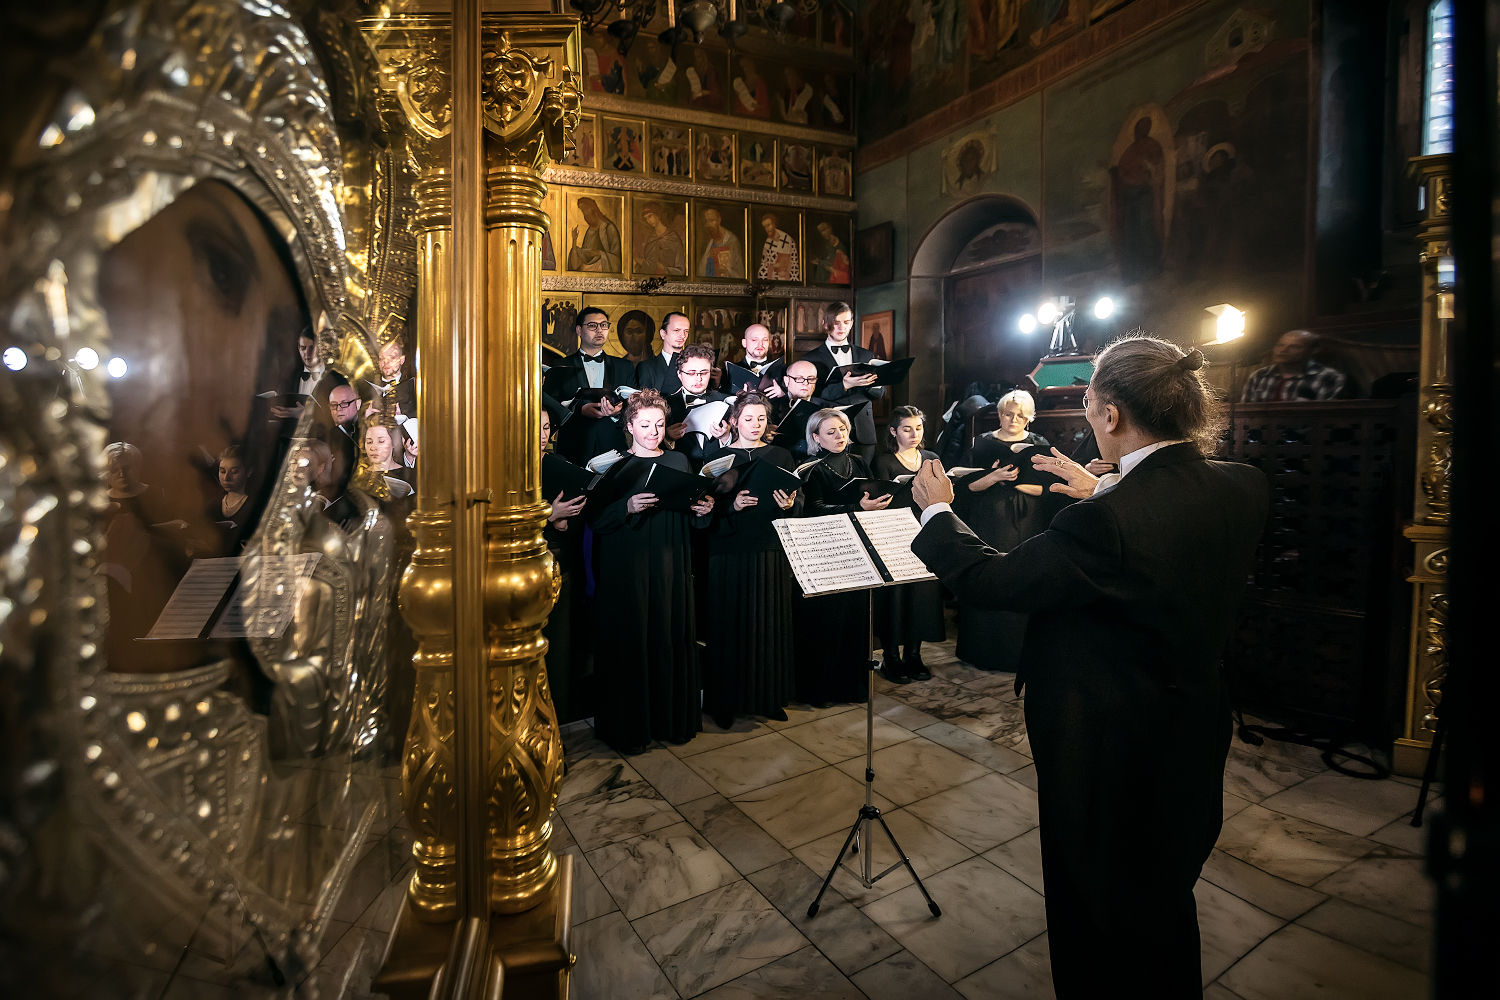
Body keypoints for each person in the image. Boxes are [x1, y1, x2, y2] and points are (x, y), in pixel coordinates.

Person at [907, 334, 1268, 999]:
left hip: (1109, 745)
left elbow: (994, 583)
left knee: (1100, 918)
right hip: (1192, 724)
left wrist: (936, 510)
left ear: (1110, 415)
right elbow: (1163, 530)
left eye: (1090, 403)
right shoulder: (1243, 486)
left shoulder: (1106, 524)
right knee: (1161, 898)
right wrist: (1104, 483)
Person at [586, 389, 716, 752]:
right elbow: (595, 521)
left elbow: (690, 515)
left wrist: (701, 512)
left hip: (670, 562)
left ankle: (671, 721)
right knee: (632, 637)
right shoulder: (611, 467)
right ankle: (630, 729)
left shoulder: (679, 464)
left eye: (659, 424)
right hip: (626, 566)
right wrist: (626, 505)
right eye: (645, 425)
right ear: (630, 426)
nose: (654, 431)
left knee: (667, 632)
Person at [701, 392, 800, 729]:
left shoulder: (781, 454)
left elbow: (796, 499)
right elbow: (705, 510)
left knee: (768, 624)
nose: (755, 425)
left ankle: (768, 698)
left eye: (761, 419)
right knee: (728, 627)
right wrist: (732, 506)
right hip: (728, 548)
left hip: (769, 546)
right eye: (747, 419)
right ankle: (724, 703)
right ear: (734, 421)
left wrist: (789, 505)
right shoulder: (718, 456)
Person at [793, 407, 891, 707]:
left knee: (855, 618)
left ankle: (853, 688)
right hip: (825, 551)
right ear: (816, 437)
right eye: (831, 432)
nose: (839, 436)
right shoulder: (809, 467)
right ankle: (821, 691)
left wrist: (879, 502)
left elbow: (872, 494)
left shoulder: (859, 461)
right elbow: (812, 510)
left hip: (857, 546)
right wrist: (857, 509)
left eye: (843, 430)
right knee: (827, 622)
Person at [951, 389, 1051, 672]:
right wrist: (995, 476)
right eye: (1008, 414)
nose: (1014, 419)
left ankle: (1021, 653)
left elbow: (1045, 489)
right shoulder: (982, 442)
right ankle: (982, 651)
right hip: (989, 520)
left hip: (1029, 520)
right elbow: (966, 487)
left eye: (1020, 415)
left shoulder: (1038, 443)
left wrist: (1015, 483)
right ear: (1000, 414)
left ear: (1029, 418)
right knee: (988, 575)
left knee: (1024, 577)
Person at [870, 406, 945, 683]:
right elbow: (881, 498)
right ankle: (891, 657)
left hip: (925, 530)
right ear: (893, 431)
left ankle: (914, 655)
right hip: (895, 534)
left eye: (918, 428)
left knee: (921, 596)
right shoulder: (884, 461)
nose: (914, 434)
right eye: (906, 429)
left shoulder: (931, 458)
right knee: (895, 598)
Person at [541, 402, 589, 723]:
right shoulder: (503, 467)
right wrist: (549, 515)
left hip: (562, 564)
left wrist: (564, 520)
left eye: (546, 428)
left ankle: (556, 726)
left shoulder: (558, 465)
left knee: (559, 647)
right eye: (535, 428)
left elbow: (575, 513)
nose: (542, 435)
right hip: (521, 567)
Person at [549, 307, 638, 463]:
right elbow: (550, 407)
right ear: (578, 330)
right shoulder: (559, 366)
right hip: (573, 444)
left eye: (604, 325)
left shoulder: (625, 367)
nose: (599, 330)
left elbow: (635, 407)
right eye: (592, 325)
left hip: (612, 445)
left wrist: (616, 413)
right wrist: (579, 411)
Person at [799, 301, 884, 461]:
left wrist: (870, 384)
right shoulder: (811, 359)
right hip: (829, 431)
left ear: (852, 323)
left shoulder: (866, 355)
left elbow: (880, 392)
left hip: (863, 430)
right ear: (825, 324)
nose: (841, 327)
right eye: (836, 323)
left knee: (863, 478)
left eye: (846, 322)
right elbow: (811, 395)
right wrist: (844, 386)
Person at [665, 343, 729, 470]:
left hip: (719, 476)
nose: (698, 379)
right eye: (691, 373)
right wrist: (667, 438)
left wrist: (725, 436)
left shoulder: (725, 401)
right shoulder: (665, 405)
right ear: (679, 374)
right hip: (681, 474)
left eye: (703, 373)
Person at [1240, 329, 1347, 401]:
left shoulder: (1329, 378)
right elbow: (1244, 414)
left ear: (1313, 351)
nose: (1283, 350)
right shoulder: (1258, 376)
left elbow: (1330, 418)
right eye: (1280, 345)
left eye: (1294, 346)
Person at [635, 310, 691, 394]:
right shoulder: (646, 367)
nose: (683, 336)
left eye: (686, 331)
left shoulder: (694, 364)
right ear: (663, 333)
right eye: (676, 330)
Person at [738, 323, 785, 399]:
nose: (760, 344)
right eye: (754, 340)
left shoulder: (783, 370)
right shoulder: (729, 372)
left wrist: (782, 395)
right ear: (744, 343)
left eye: (765, 340)